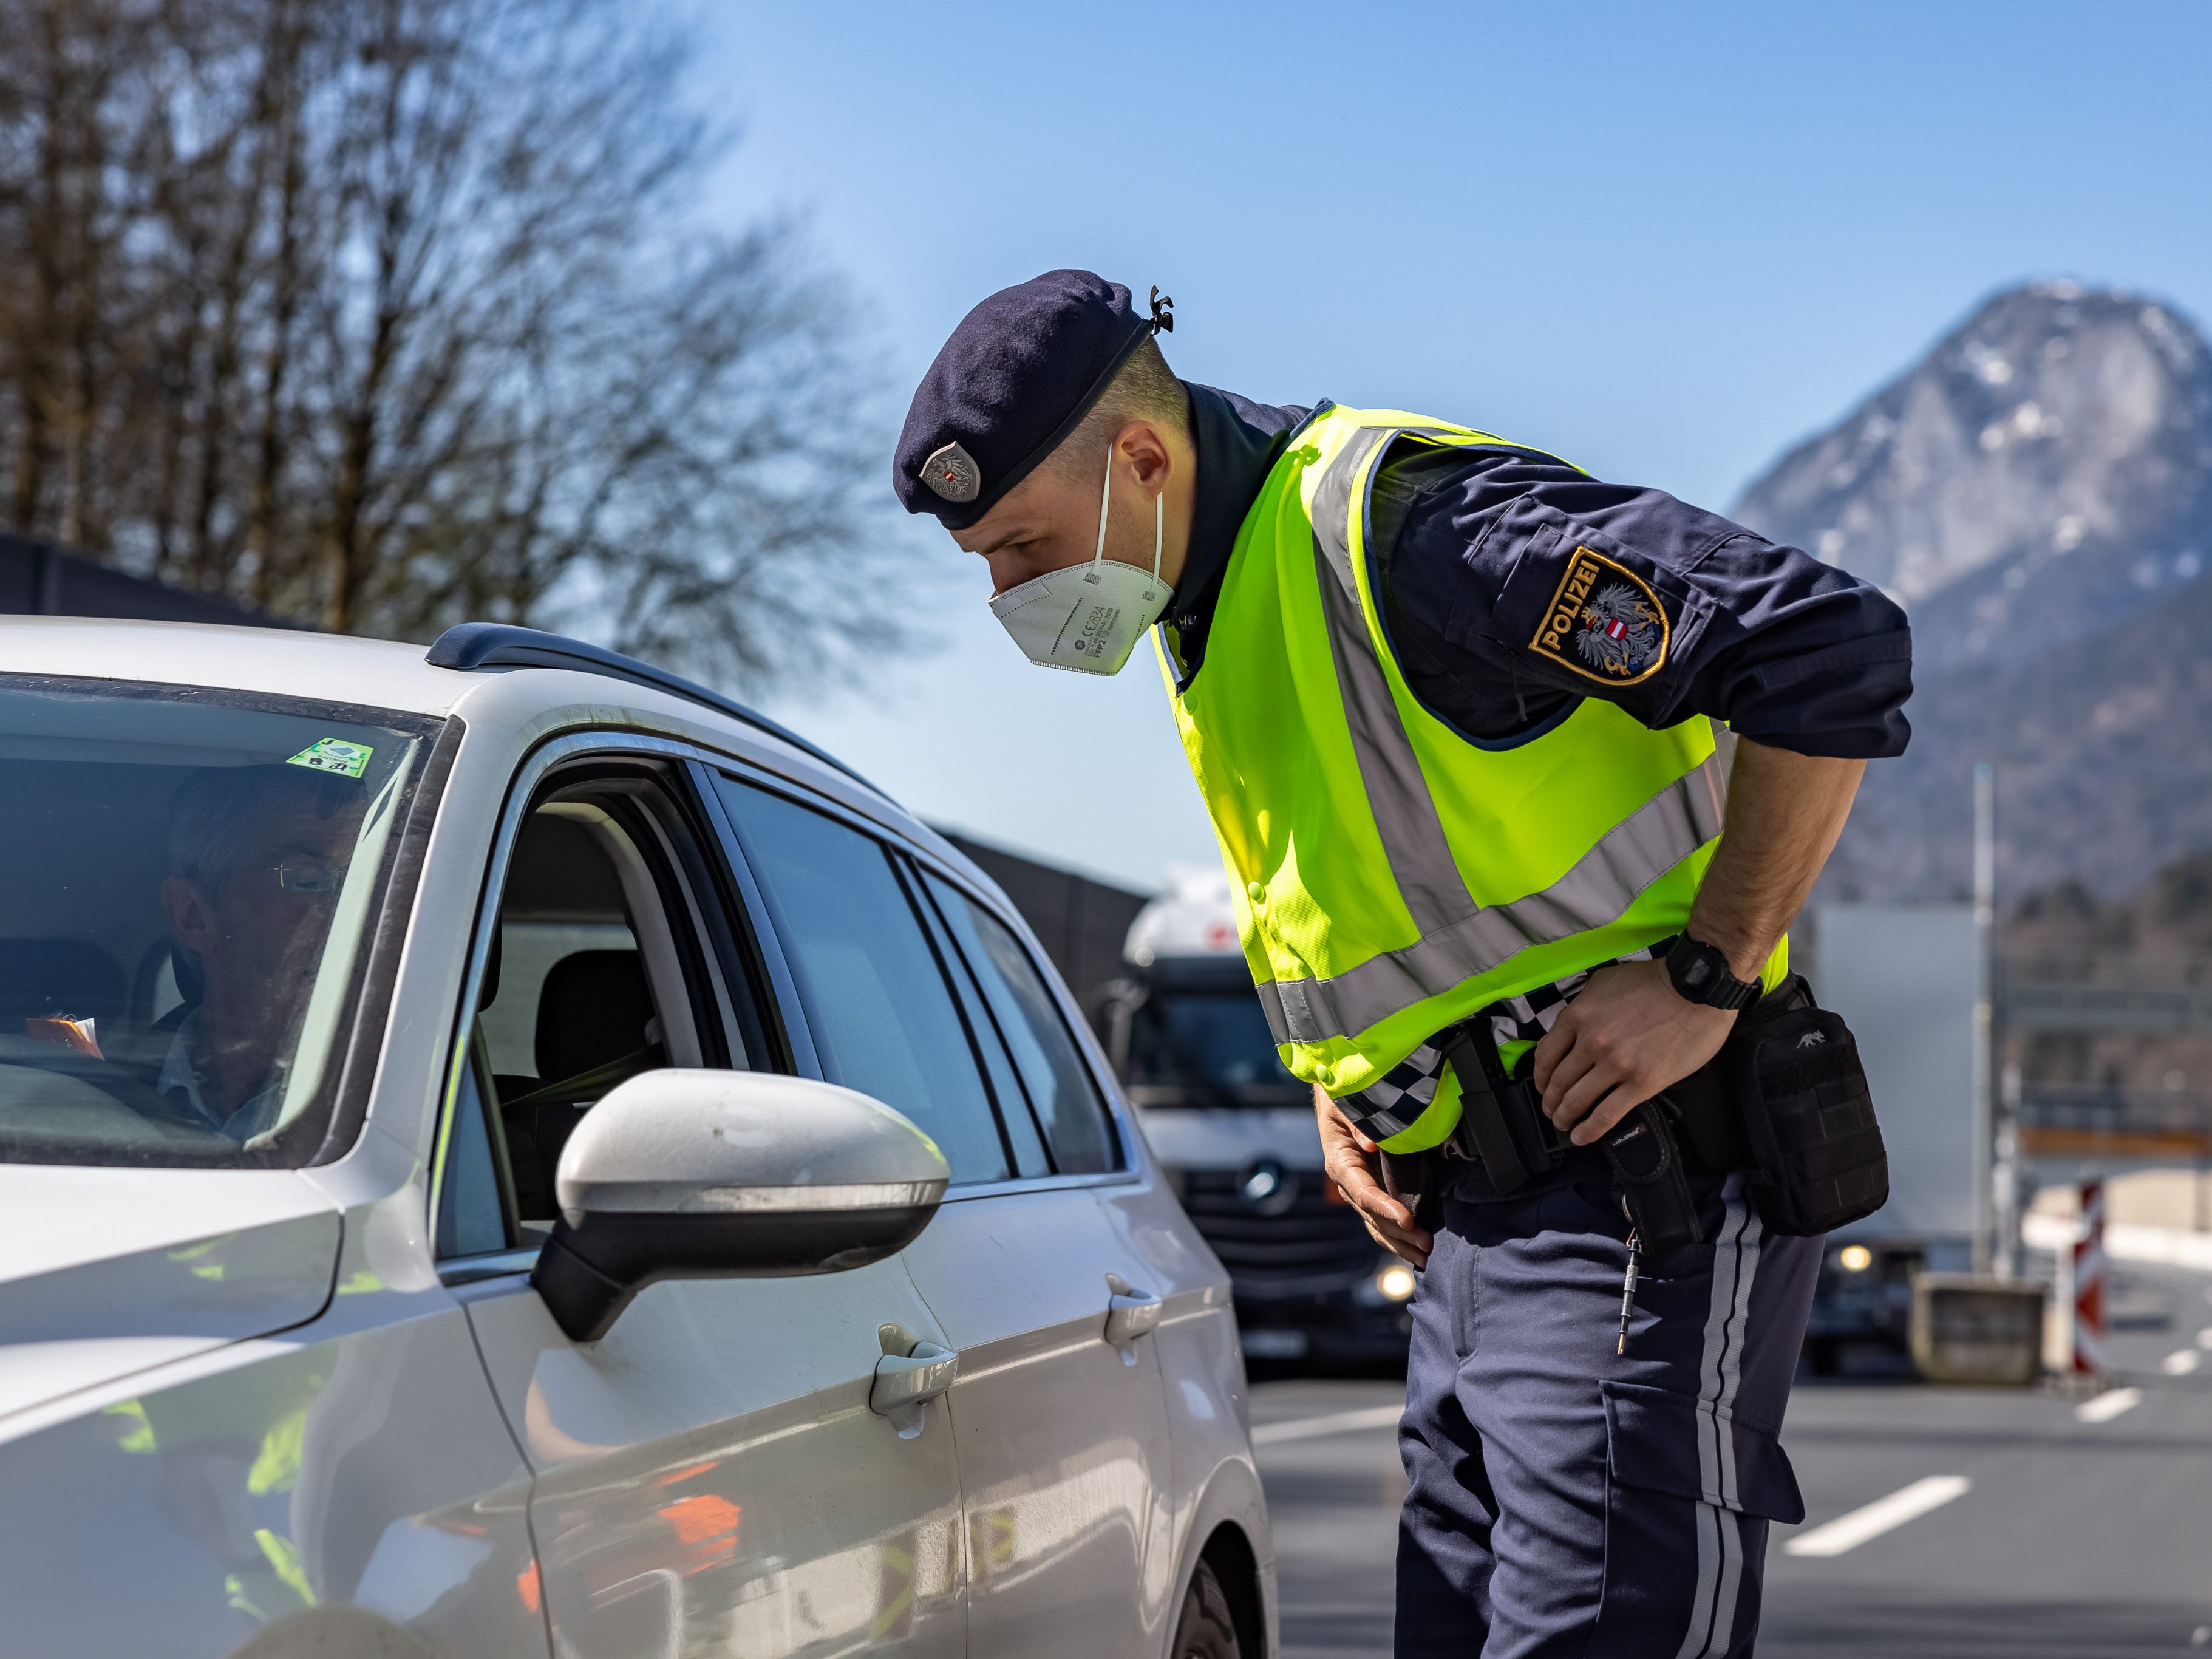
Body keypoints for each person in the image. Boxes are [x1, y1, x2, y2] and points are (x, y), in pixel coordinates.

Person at [894, 271, 1911, 1657]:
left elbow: (1824, 647)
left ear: (1139, 457)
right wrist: (1349, 1084)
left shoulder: (1403, 532)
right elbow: (1378, 898)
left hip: (1635, 1182)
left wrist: (1708, 974)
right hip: (1465, 1231)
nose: (1010, 593)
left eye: (1018, 544)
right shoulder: (1205, 611)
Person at [153, 764, 367, 1142]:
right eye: (309, 881)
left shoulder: (409, 1104)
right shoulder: (82, 1095)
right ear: (194, 916)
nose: (359, 915)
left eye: (372, 884)